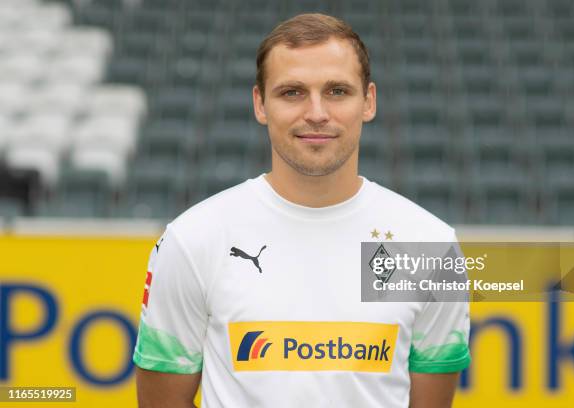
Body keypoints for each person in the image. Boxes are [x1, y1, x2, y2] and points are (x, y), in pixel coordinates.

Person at [133, 13, 470, 408]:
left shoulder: (430, 246)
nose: (316, 112)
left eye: (337, 91)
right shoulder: (193, 239)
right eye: (292, 92)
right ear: (260, 104)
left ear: (369, 101)